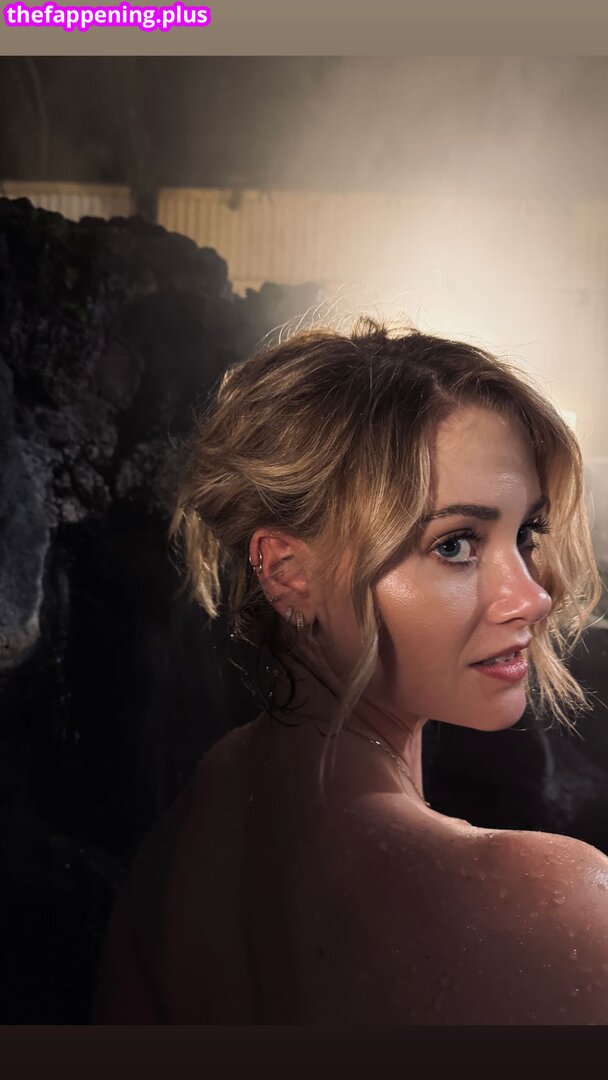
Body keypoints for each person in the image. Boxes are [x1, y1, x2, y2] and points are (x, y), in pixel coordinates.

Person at [93, 316, 608, 1024]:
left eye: (526, 534)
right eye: (455, 544)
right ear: (287, 572)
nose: (533, 596)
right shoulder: (549, 904)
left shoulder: (187, 836)